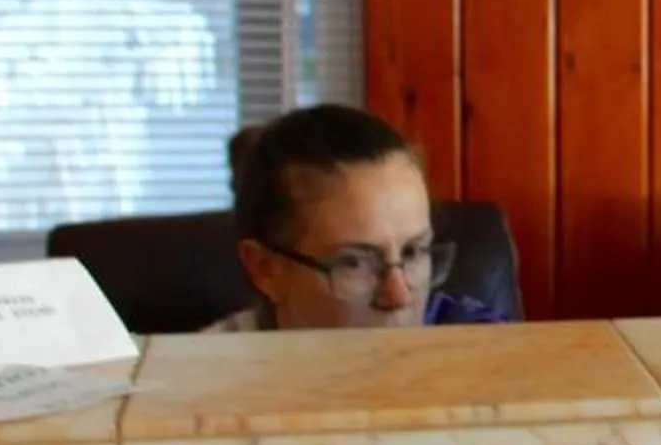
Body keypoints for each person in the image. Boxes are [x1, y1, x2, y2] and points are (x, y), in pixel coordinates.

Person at [214, 104, 510, 331]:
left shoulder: (483, 352)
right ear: (266, 269)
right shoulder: (199, 387)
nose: (399, 296)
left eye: (412, 252)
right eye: (354, 262)